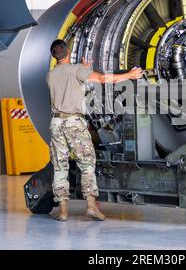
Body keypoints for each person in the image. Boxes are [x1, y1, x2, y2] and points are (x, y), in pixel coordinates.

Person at [47, 39, 143, 222]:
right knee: (87, 163)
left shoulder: (50, 75)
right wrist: (129, 75)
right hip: (74, 122)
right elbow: (102, 79)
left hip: (56, 123)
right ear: (68, 53)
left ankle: (63, 211)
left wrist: (82, 68)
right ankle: (91, 206)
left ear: (54, 56)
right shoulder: (76, 70)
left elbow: (69, 80)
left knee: (60, 166)